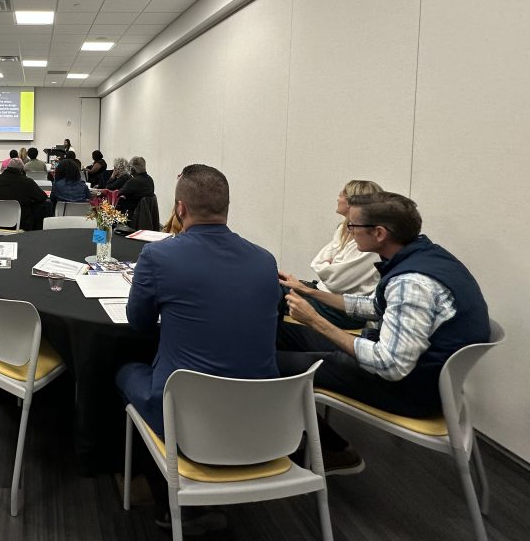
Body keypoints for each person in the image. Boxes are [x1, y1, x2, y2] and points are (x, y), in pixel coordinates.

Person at [278, 191, 491, 473]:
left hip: (408, 389)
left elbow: (390, 365)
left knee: (270, 364)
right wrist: (311, 293)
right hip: (420, 373)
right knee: (280, 333)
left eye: (352, 226)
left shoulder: (411, 282)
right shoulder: (428, 256)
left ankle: (335, 451)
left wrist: (315, 321)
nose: (349, 232)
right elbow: (375, 306)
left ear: (379, 233)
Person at [116, 165, 281, 524]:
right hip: (267, 420)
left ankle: (165, 500)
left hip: (185, 419)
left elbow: (138, 322)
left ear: (180, 209)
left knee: (124, 370)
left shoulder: (159, 256)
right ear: (227, 207)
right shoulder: (265, 260)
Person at [278, 180, 384, 329]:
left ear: (352, 203)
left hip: (342, 310)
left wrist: (330, 264)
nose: (338, 197)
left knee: (272, 290)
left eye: (342, 194)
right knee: (273, 279)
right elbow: (318, 263)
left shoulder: (370, 241)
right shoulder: (343, 228)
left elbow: (335, 280)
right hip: (323, 295)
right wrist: (330, 265)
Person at [0, 158, 50, 231]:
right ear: (22, 170)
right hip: (20, 223)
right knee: (45, 205)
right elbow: (42, 197)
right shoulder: (27, 182)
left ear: (7, 167)